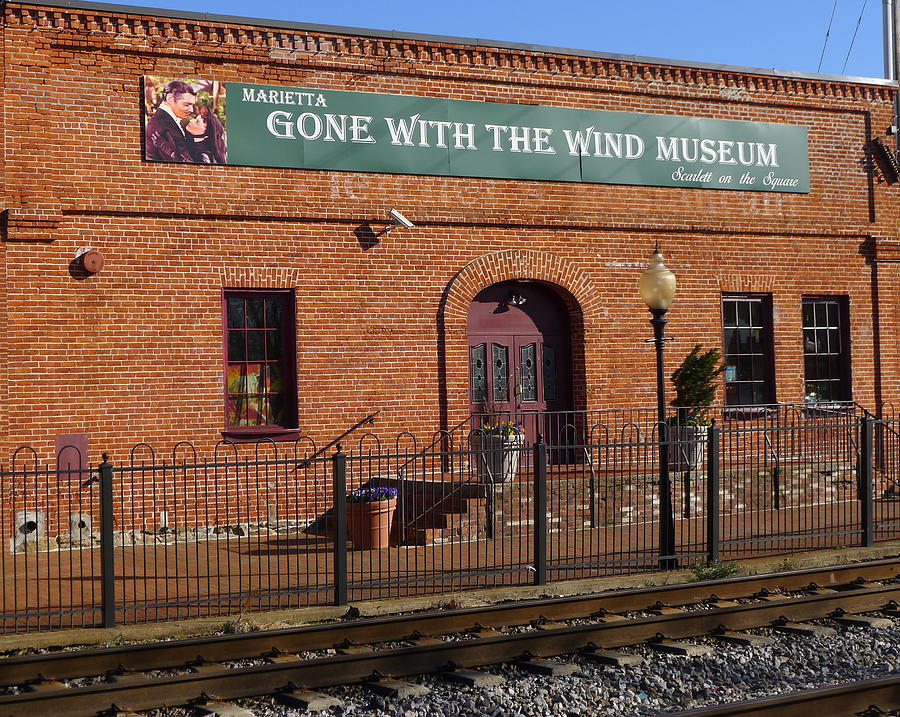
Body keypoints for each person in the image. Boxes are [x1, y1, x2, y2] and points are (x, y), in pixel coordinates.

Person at [145, 80, 210, 163]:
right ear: (170, 99)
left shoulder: (172, 120)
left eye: (192, 105)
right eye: (186, 105)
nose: (191, 110)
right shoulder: (161, 124)